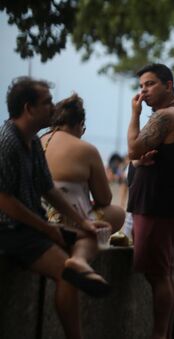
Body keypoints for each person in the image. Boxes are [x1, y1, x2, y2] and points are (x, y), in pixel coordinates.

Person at [0, 77, 112, 339]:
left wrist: (82, 221)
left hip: (31, 227)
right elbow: (5, 202)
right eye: (47, 102)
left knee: (93, 233)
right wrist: (47, 230)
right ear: (29, 108)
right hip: (10, 230)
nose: (53, 107)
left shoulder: (33, 141)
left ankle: (80, 261)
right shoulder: (7, 143)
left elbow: (47, 188)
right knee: (66, 274)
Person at [127, 63, 174, 339]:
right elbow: (139, 155)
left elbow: (132, 147)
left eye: (150, 84)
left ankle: (158, 335)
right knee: (163, 272)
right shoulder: (170, 116)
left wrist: (134, 114)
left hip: (156, 205)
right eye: (141, 86)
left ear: (169, 85)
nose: (144, 91)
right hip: (159, 204)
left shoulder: (167, 115)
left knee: (158, 274)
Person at [40, 94, 125, 234]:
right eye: (83, 129)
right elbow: (104, 199)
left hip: (37, 217)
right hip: (68, 222)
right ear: (80, 124)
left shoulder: (40, 141)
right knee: (118, 213)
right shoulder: (86, 149)